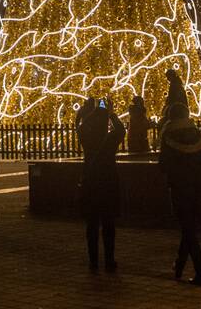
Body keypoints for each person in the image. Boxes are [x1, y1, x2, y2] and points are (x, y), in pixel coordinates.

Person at [159, 102, 201, 286]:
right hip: (197, 186)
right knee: (189, 228)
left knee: (188, 230)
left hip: (179, 187)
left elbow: (163, 165)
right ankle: (179, 266)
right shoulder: (198, 135)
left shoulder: (168, 135)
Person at [78, 99, 125, 273]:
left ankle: (93, 261)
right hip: (108, 182)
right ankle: (110, 260)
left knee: (91, 225)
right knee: (108, 224)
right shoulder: (110, 139)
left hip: (90, 182)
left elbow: (81, 127)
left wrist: (92, 113)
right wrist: (110, 113)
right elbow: (121, 130)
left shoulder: (87, 139)